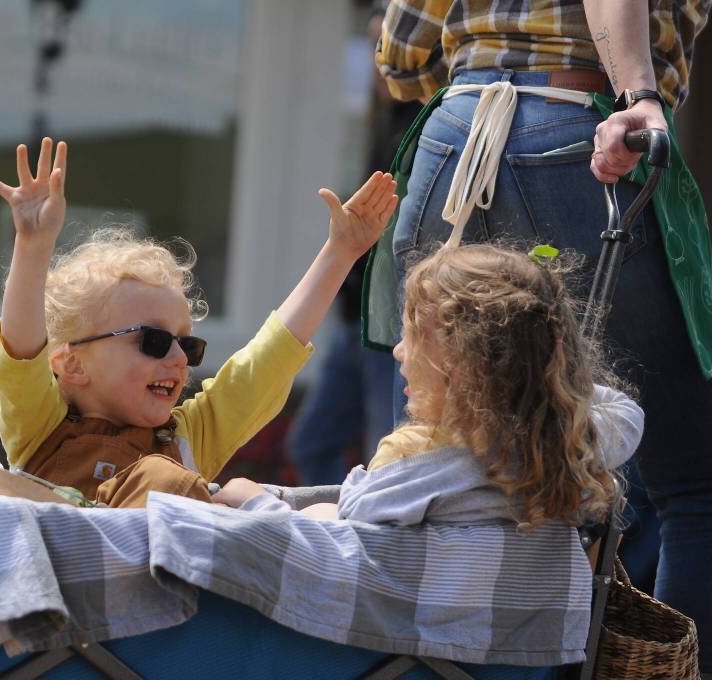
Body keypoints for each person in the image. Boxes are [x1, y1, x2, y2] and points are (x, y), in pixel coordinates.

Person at [374, 0, 712, 668]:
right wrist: (640, 92)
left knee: (418, 460)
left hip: (456, 130)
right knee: (695, 488)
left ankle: (411, 668)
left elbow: (401, 50)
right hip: (582, 128)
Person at [0, 138, 398, 507]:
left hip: (161, 590)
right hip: (68, 587)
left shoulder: (187, 438)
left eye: (188, 344)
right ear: (72, 365)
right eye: (155, 341)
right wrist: (32, 246)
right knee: (164, 480)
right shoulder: (38, 425)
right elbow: (20, 354)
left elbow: (268, 361)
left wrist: (340, 253)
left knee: (171, 480)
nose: (181, 358)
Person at [215, 244, 643, 537]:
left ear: (461, 364)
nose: (398, 352)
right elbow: (624, 410)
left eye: (411, 338)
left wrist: (256, 503)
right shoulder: (571, 449)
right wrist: (537, 369)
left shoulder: (423, 479)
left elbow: (338, 543)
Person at [285, 5, 421, 486]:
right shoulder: (382, 118)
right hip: (354, 314)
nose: (377, 61)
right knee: (310, 442)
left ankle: (371, 545)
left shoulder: (426, 123)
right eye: (371, 48)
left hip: (392, 319)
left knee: (386, 455)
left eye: (384, 47)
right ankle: (345, 529)